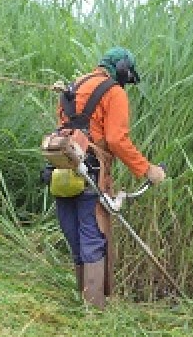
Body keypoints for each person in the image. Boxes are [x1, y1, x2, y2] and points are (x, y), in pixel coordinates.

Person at [54, 47, 165, 308]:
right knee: (92, 235)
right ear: (123, 69)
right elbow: (116, 139)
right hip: (90, 171)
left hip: (60, 170)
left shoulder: (72, 87)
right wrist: (147, 169)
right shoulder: (113, 92)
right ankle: (94, 309)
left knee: (73, 232)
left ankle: (82, 298)